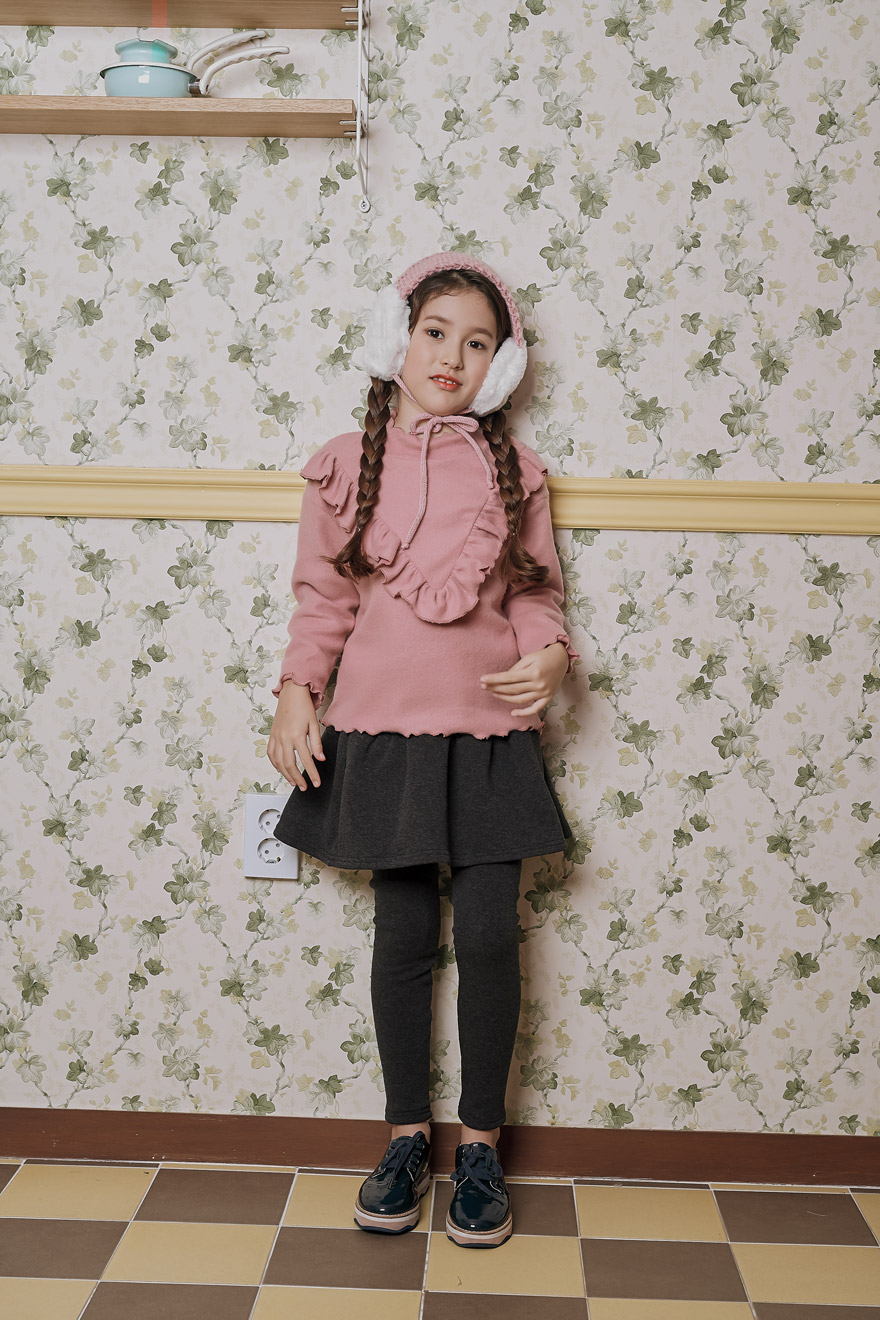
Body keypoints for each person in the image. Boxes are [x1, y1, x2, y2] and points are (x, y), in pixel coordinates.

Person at [266, 251, 579, 1250]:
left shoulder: (516, 471)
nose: (451, 354)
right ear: (393, 339)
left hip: (489, 737)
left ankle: (479, 1148)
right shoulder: (342, 464)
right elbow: (322, 601)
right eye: (435, 332)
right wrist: (295, 694)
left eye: (477, 342)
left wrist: (550, 655)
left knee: (487, 936)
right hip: (382, 734)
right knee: (402, 937)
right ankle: (407, 1138)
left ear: (501, 366)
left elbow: (536, 593)